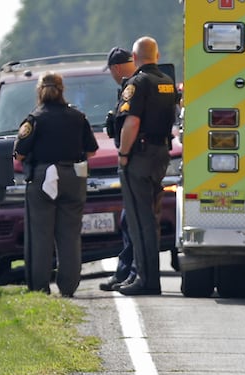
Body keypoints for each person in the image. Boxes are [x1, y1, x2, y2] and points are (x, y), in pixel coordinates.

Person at [13, 72, 99, 297]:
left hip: (43, 178)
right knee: (70, 235)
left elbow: (19, 154)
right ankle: (68, 287)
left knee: (41, 235)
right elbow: (91, 150)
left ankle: (40, 287)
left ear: (39, 91)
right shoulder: (78, 117)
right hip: (72, 176)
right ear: (63, 90)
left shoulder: (34, 119)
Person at [113, 36, 177, 296]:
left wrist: (123, 154)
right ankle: (148, 277)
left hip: (139, 155)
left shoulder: (137, 83)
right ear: (157, 56)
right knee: (150, 219)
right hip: (161, 154)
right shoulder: (167, 82)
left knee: (139, 221)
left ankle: (145, 279)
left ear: (135, 57)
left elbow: (132, 122)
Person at [100, 47, 139, 292]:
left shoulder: (132, 87)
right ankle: (130, 272)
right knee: (133, 221)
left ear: (115, 68)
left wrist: (123, 155)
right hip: (148, 160)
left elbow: (131, 123)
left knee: (130, 221)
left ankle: (129, 272)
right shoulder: (141, 82)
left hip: (136, 161)